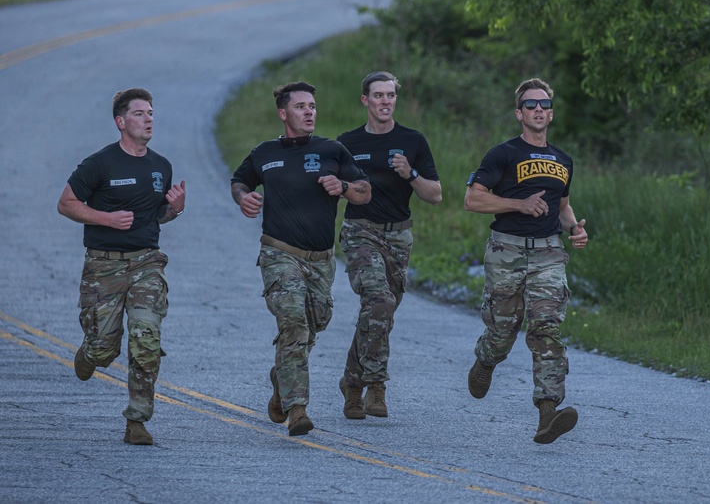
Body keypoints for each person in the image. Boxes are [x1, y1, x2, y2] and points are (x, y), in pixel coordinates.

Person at [230, 81, 370, 437]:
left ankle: (282, 375)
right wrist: (243, 197)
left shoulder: (332, 150)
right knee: (293, 323)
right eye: (301, 107)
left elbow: (364, 192)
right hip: (279, 253)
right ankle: (298, 410)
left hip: (321, 260)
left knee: (315, 323)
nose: (310, 112)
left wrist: (344, 188)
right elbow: (239, 180)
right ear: (283, 113)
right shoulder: (264, 152)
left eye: (312, 106)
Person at [57, 88, 186, 446]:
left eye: (150, 113)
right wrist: (105, 219)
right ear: (121, 122)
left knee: (146, 338)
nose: (148, 120)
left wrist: (175, 209)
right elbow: (66, 204)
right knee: (103, 350)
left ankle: (137, 421)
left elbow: (156, 216)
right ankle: (89, 353)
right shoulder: (99, 164)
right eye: (140, 114)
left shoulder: (161, 166)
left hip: (147, 262)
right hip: (104, 266)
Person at [464, 78, 589, 444]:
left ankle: (547, 414)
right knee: (504, 329)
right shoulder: (502, 154)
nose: (538, 109)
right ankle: (486, 359)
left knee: (545, 328)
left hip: (549, 251)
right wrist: (519, 204)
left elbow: (563, 207)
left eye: (545, 104)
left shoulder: (564, 159)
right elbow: (473, 200)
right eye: (531, 104)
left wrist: (575, 230)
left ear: (551, 113)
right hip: (507, 250)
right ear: (520, 113)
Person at [335, 71, 442, 420]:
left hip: (399, 235)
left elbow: (435, 195)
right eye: (378, 96)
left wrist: (410, 173)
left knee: (382, 312)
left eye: (390, 95)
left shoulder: (412, 141)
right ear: (365, 100)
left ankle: (352, 381)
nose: (385, 101)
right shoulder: (346, 143)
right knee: (378, 301)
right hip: (360, 230)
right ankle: (374, 386)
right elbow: (328, 191)